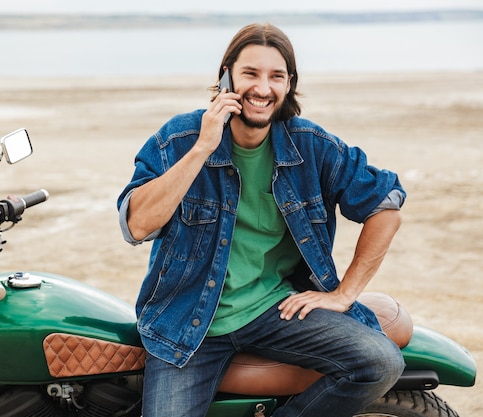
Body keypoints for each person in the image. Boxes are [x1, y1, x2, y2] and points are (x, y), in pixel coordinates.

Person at [117, 22, 406, 417]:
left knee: (381, 362)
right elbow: (136, 225)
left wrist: (344, 294)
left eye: (276, 76)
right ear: (226, 77)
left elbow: (386, 207)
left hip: (274, 311)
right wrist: (204, 146)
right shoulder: (178, 139)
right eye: (250, 73)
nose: (263, 88)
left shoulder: (311, 146)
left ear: (289, 85)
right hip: (185, 323)